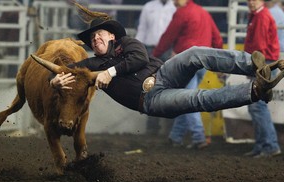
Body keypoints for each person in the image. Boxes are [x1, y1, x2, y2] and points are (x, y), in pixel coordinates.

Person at [48, 5, 284, 134]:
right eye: (92, 39)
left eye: (99, 34)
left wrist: (111, 72)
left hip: (163, 74)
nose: (95, 40)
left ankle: (253, 64)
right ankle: (255, 90)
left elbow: (139, 58)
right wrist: (54, 80)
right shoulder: (90, 65)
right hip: (151, 99)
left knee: (194, 53)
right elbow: (63, 71)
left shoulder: (127, 43)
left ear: (111, 35)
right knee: (198, 98)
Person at [152, 0, 223, 149]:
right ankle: (176, 136)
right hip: (204, 62)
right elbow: (217, 38)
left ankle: (198, 136)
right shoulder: (203, 12)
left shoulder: (182, 13)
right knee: (186, 98)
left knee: (188, 100)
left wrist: (154, 56)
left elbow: (168, 37)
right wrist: (218, 62)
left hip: (186, 63)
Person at [243, 0, 281, 158]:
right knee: (256, 107)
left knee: (257, 107)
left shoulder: (260, 17)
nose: (251, 2)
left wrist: (255, 69)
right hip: (265, 66)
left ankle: (269, 145)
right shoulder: (259, 15)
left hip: (262, 66)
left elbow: (259, 47)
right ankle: (262, 145)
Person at [135, 0, 176, 135]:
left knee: (171, 87)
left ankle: (169, 127)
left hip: (169, 50)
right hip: (151, 49)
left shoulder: (175, 7)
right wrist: (137, 50)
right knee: (150, 86)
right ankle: (152, 126)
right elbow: (142, 29)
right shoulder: (149, 6)